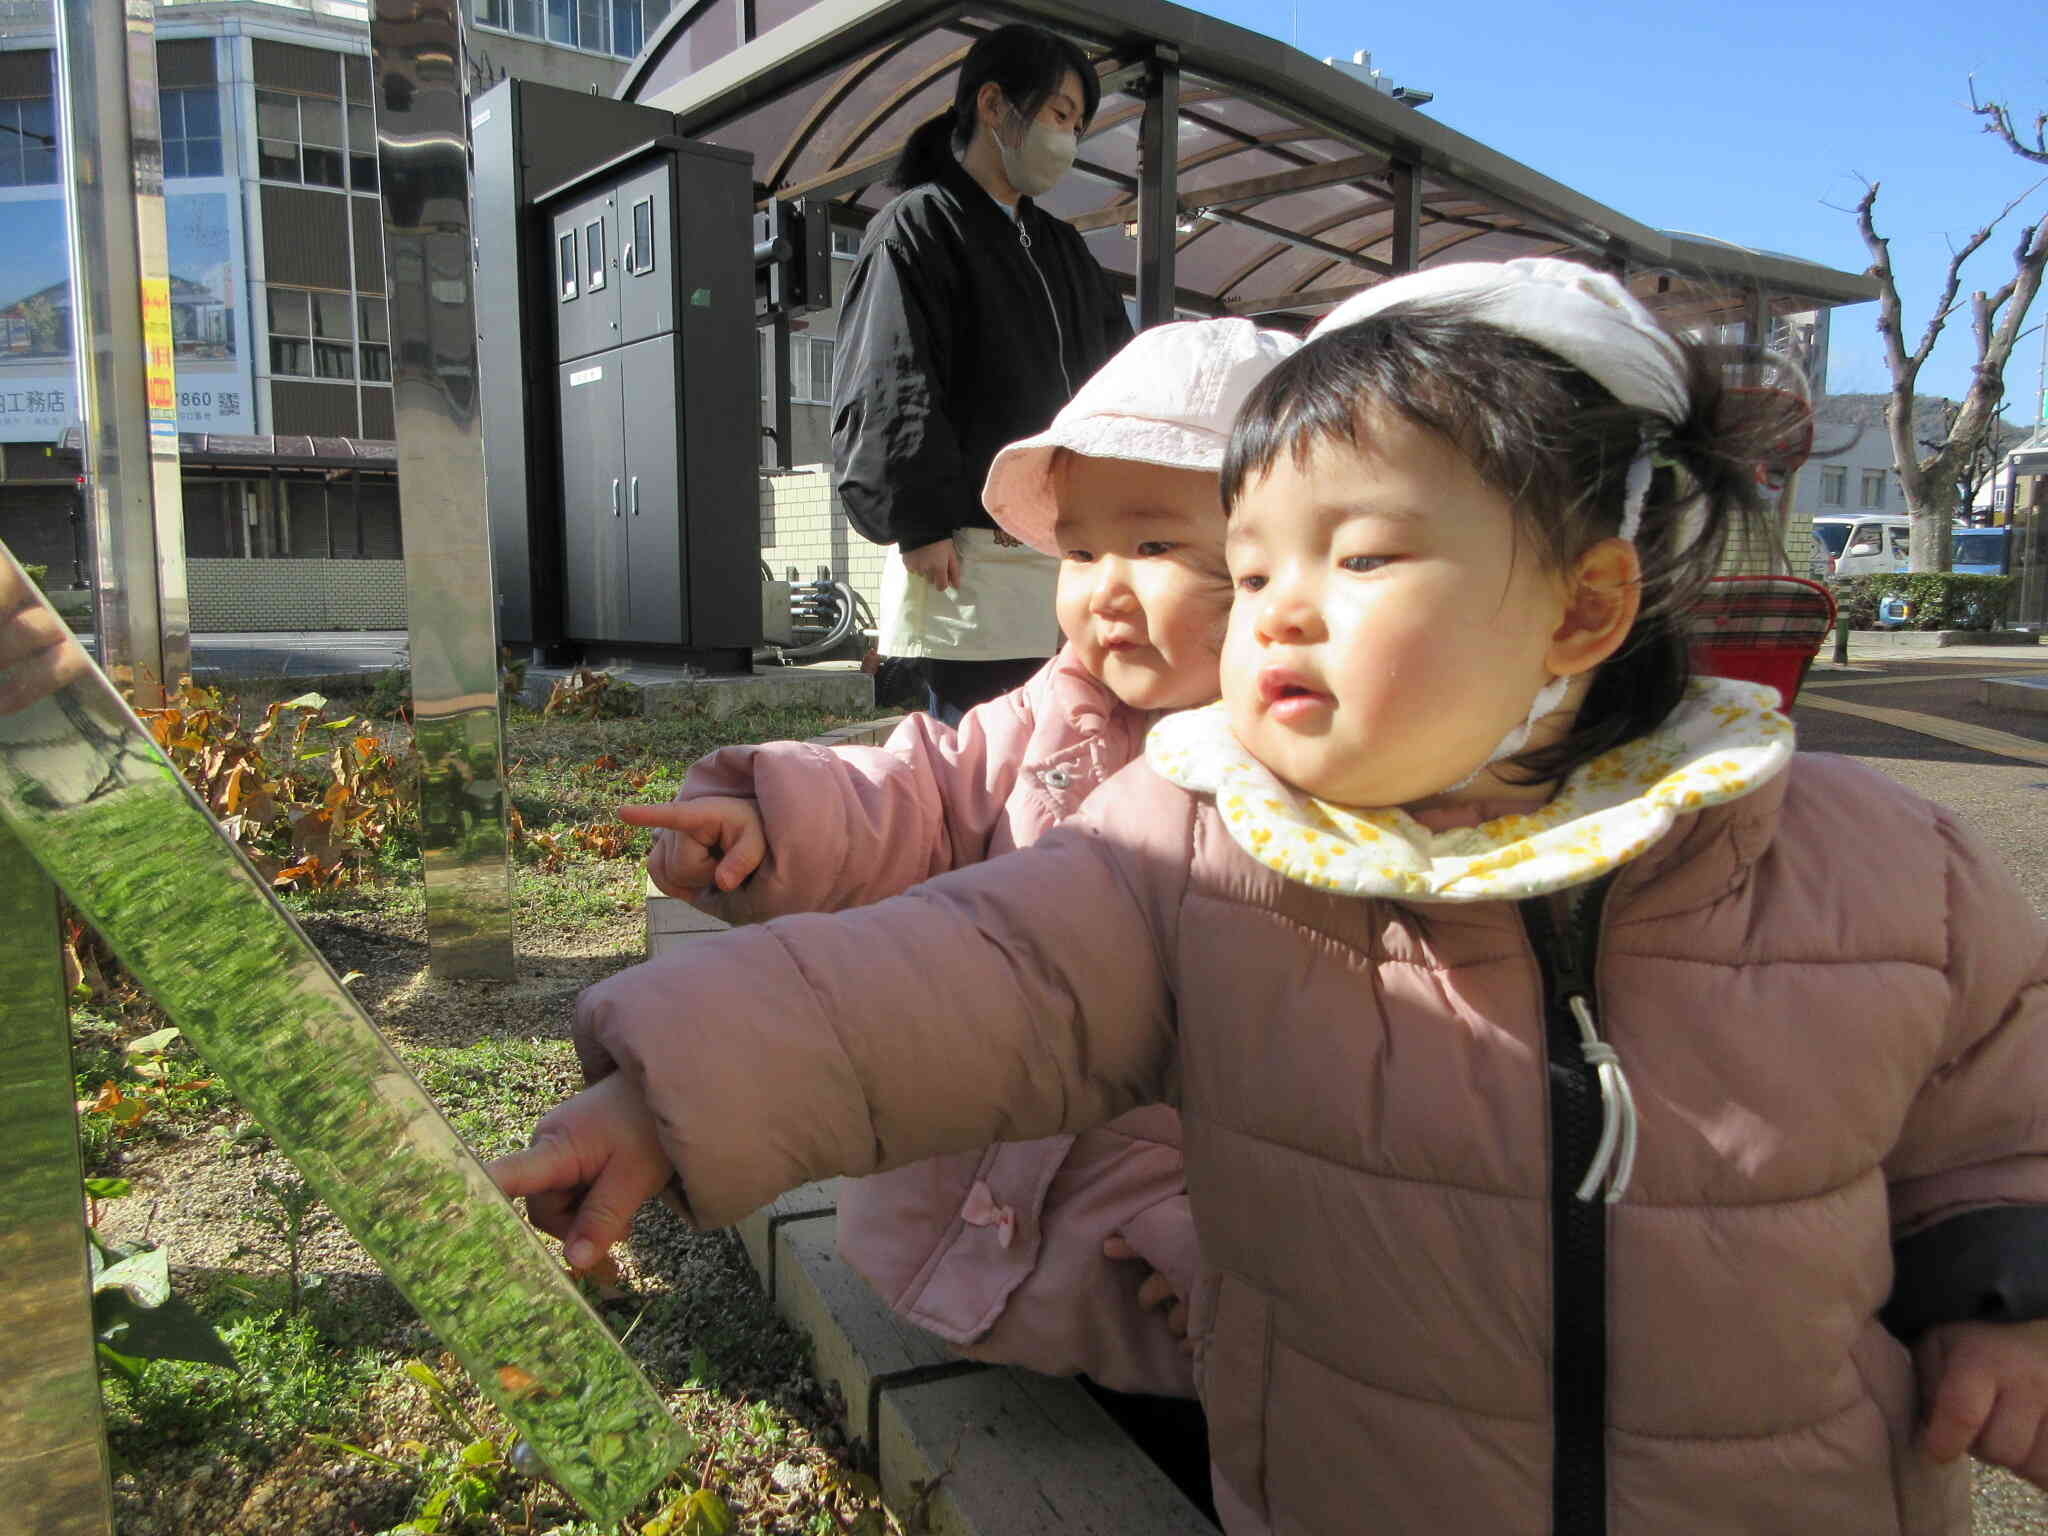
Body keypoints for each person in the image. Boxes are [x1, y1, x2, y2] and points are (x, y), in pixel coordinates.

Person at [494, 259, 2048, 1535]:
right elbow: (969, 973)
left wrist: (2004, 1290)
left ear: (1583, 604)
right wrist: (665, 1101)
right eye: (1253, 562)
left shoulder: (1876, 867)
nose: (1281, 607)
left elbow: (1998, 1117)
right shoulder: (1199, 848)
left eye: (1360, 556)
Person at [619, 319, 1296, 1413]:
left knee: (1198, 1354)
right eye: (1079, 551)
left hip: (1144, 1216)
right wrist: (781, 817)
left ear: (1282, 567)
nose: (1101, 591)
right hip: (982, 1159)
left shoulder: (1301, 795)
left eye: (1155, 547)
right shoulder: (1053, 714)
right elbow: (921, 789)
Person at [832, 23, 1134, 726]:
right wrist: (922, 521)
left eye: (1079, 125)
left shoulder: (1060, 245)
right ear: (994, 106)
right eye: (1060, 115)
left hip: (1060, 548)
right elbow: (893, 377)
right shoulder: (916, 227)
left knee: (1060, 735)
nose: (1069, 139)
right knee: (975, 744)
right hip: (964, 548)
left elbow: (1114, 370)